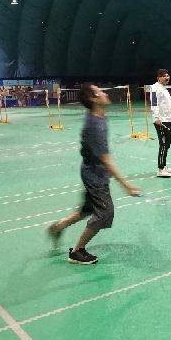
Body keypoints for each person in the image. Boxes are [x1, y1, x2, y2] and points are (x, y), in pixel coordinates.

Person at [47, 84, 141, 264]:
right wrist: (127, 186)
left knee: (88, 209)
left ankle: (58, 227)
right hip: (95, 175)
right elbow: (106, 160)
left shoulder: (99, 115)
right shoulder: (95, 125)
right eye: (99, 92)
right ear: (93, 99)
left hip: (92, 170)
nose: (104, 93)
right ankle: (77, 251)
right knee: (105, 212)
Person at [151, 69, 171, 177]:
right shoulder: (155, 88)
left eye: (168, 75)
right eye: (164, 76)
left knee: (167, 143)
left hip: (167, 119)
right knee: (163, 144)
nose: (167, 77)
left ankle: (164, 166)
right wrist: (156, 117)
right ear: (158, 78)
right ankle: (160, 170)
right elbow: (154, 103)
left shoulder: (164, 89)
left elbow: (168, 104)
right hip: (160, 120)